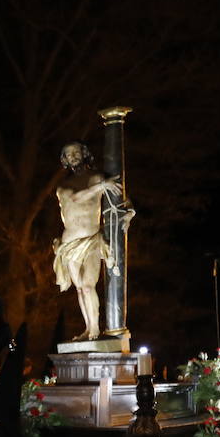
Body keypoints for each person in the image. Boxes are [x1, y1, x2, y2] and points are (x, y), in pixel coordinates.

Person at [51, 142, 130, 341]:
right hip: (70, 243)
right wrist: (101, 186)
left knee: (88, 285)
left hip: (92, 240)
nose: (73, 156)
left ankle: (95, 327)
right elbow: (76, 199)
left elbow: (120, 197)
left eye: (76, 152)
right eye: (69, 154)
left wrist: (129, 210)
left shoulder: (96, 178)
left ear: (84, 154)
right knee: (79, 288)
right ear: (65, 160)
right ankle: (88, 328)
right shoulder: (64, 186)